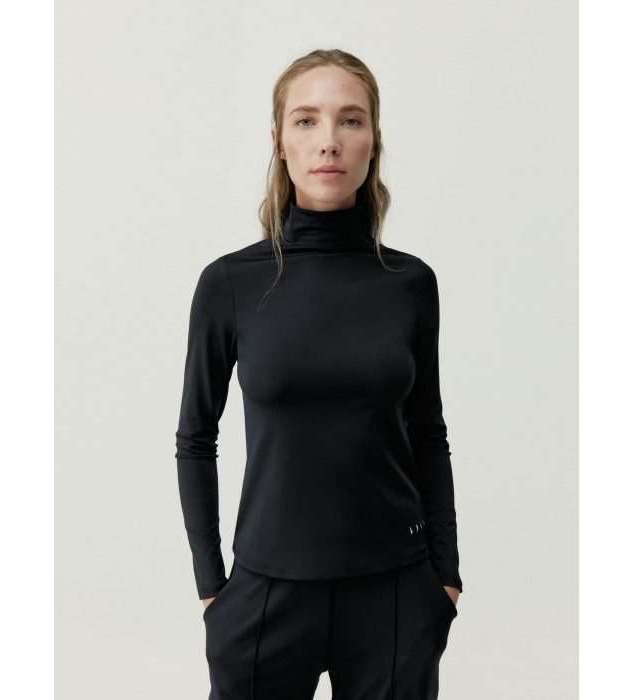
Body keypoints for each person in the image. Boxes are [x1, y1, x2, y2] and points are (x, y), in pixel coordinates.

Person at [175, 48, 463, 700]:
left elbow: (428, 433)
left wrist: (444, 577)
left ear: (373, 140)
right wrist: (212, 589)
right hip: (265, 594)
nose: (328, 140)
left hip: (396, 595)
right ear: (279, 142)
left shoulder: (410, 283)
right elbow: (195, 437)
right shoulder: (230, 283)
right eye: (306, 120)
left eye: (350, 120)